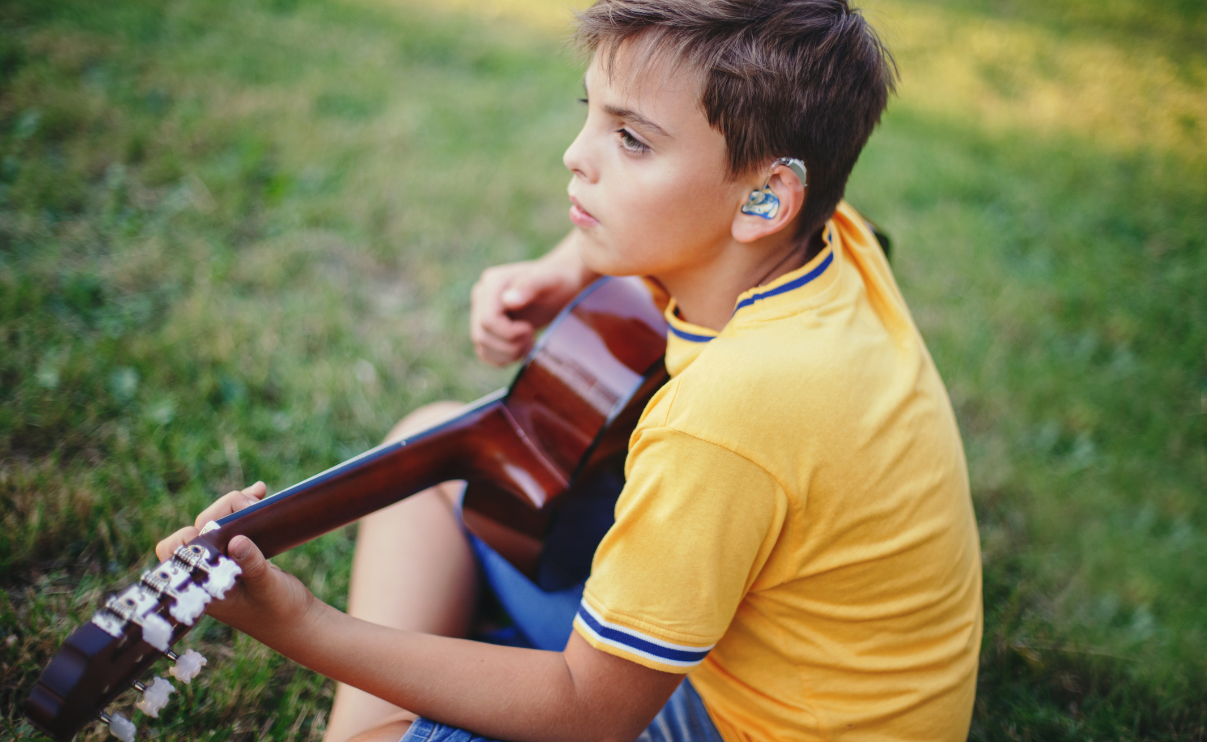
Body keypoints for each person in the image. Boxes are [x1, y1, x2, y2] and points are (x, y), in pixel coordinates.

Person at [157, 0, 983, 739]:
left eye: (630, 138)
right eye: (588, 112)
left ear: (765, 198)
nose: (575, 155)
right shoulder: (828, 238)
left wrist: (301, 622)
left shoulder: (728, 412)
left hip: (751, 722)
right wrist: (570, 267)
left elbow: (589, 708)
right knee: (428, 444)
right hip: (757, 659)